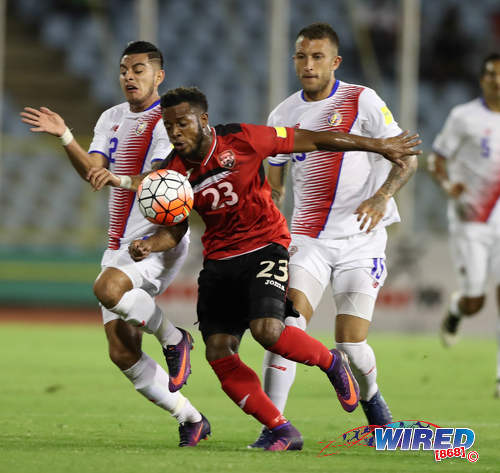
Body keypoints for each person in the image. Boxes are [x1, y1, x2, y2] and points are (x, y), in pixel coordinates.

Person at [87, 86, 421, 451]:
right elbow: (175, 228)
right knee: (218, 351)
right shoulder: (174, 171)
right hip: (218, 262)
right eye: (168, 127)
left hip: (265, 247)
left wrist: (378, 146)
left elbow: (312, 140)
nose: (175, 133)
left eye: (181, 124)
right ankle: (281, 429)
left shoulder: (243, 139)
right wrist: (149, 245)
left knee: (268, 331)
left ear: (202, 120)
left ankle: (330, 362)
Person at [20, 41, 210, 446]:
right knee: (122, 352)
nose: (128, 75)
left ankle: (175, 338)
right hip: (119, 242)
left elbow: (160, 181)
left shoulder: (167, 121)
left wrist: (121, 181)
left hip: (160, 237)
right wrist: (67, 136)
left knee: (107, 289)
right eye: (124, 69)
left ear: (158, 76)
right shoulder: (111, 118)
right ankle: (191, 418)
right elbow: (94, 172)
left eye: (138, 69)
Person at [250, 23, 419, 448]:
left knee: (350, 343)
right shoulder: (283, 115)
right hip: (308, 238)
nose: (308, 65)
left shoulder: (362, 100)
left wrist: (382, 197)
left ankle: (376, 406)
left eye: (317, 57)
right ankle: (276, 428)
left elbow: (407, 158)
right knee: (284, 327)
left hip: (362, 237)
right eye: (301, 57)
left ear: (335, 61)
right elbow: (276, 184)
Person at [427, 53, 500, 397]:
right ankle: (458, 308)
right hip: (470, 218)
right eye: (490, 74)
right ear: (482, 79)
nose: (496, 81)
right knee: (476, 300)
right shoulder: (464, 117)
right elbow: (436, 159)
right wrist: (446, 186)